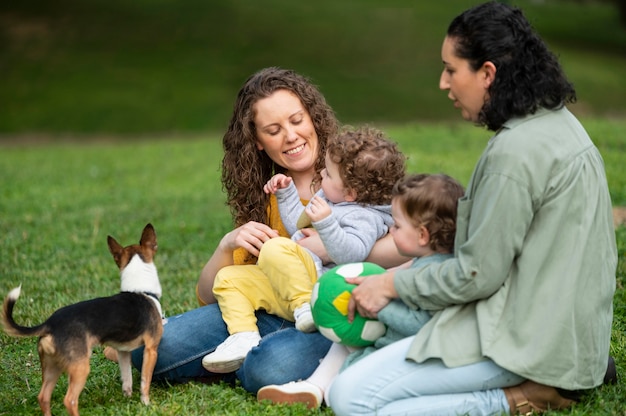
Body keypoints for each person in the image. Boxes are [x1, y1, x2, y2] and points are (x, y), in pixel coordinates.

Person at [327, 2, 618, 415]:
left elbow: (476, 275)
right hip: (564, 335)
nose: (444, 83)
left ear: (487, 73)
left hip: (529, 344)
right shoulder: (558, 123)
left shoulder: (514, 154)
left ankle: (519, 398)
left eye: (451, 69)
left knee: (350, 398)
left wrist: (390, 286)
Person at [121, 67, 406, 393]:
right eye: (273, 130)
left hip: (333, 308)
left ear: (313, 118)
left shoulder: (358, 173)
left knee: (266, 367)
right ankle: (245, 348)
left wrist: (327, 246)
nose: (291, 136)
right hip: (270, 308)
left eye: (297, 120)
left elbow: (411, 246)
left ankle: (249, 359)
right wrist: (226, 247)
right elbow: (207, 294)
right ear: (257, 141)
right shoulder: (270, 194)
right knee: (146, 347)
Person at [201, 126, 406, 373]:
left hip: (316, 286)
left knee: (275, 247)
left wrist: (327, 223)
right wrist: (286, 192)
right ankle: (244, 335)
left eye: (328, 174)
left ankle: (304, 307)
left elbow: (353, 254)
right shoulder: (332, 198)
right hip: (292, 285)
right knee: (229, 278)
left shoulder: (365, 217)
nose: (321, 173)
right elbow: (298, 223)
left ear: (351, 193)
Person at [257, 173, 465, 409]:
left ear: (422, 235)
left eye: (397, 225)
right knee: (346, 332)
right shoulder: (423, 262)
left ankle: (323, 385)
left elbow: (420, 326)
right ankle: (314, 387)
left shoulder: (436, 274)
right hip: (384, 343)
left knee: (342, 386)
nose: (391, 231)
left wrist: (380, 309)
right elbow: (395, 276)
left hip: (402, 354)